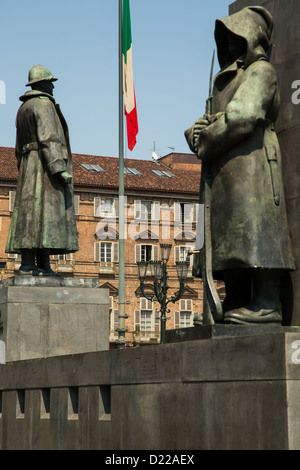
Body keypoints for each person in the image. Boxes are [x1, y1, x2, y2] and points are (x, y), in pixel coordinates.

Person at [185, 7, 295, 325]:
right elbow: (213, 122)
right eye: (227, 38)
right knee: (230, 239)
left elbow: (244, 116)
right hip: (228, 172)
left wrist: (206, 137)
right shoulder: (230, 80)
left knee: (256, 233)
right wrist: (196, 131)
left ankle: (266, 304)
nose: (230, 44)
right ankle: (235, 299)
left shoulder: (261, 72)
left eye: (237, 37)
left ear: (252, 39)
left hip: (253, 167)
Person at [6, 65, 79, 276]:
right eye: (51, 83)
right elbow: (50, 137)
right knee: (47, 216)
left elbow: (19, 146)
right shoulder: (45, 105)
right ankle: (45, 265)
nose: (53, 87)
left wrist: (23, 165)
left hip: (29, 165)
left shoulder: (23, 108)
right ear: (43, 84)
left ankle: (29, 264)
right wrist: (59, 168)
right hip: (44, 166)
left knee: (30, 217)